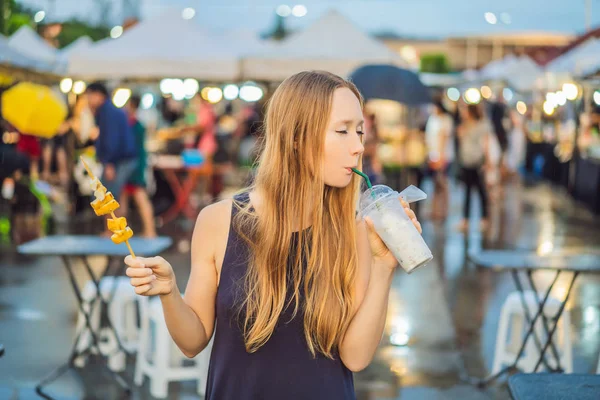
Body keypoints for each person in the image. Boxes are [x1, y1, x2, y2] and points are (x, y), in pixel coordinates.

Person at [124, 71, 422, 399]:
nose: (358, 146)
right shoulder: (217, 221)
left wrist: (384, 267)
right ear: (295, 137)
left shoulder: (354, 231)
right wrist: (169, 293)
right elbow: (192, 342)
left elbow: (355, 356)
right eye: (342, 131)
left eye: (360, 131)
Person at [86, 82, 138, 233]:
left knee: (108, 197)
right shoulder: (108, 110)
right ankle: (116, 231)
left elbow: (112, 140)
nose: (88, 99)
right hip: (121, 159)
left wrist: (109, 163)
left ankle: (112, 231)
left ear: (99, 95)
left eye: (90, 95)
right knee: (115, 196)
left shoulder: (107, 112)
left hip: (118, 160)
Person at [119, 95, 157, 238]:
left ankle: (150, 231)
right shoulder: (133, 124)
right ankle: (123, 232)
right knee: (124, 200)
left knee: (138, 198)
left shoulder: (134, 126)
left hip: (133, 166)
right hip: (133, 165)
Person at [457, 104, 490, 231]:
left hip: (477, 162)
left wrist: (486, 161)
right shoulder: (464, 126)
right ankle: (466, 219)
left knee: (481, 191)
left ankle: (484, 218)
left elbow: (486, 143)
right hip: (466, 161)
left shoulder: (481, 125)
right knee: (467, 191)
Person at [425, 100, 454, 219]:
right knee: (435, 184)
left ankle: (443, 211)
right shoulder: (433, 119)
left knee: (443, 184)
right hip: (433, 155)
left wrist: (441, 157)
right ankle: (435, 210)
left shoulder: (446, 119)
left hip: (442, 156)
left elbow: (444, 138)